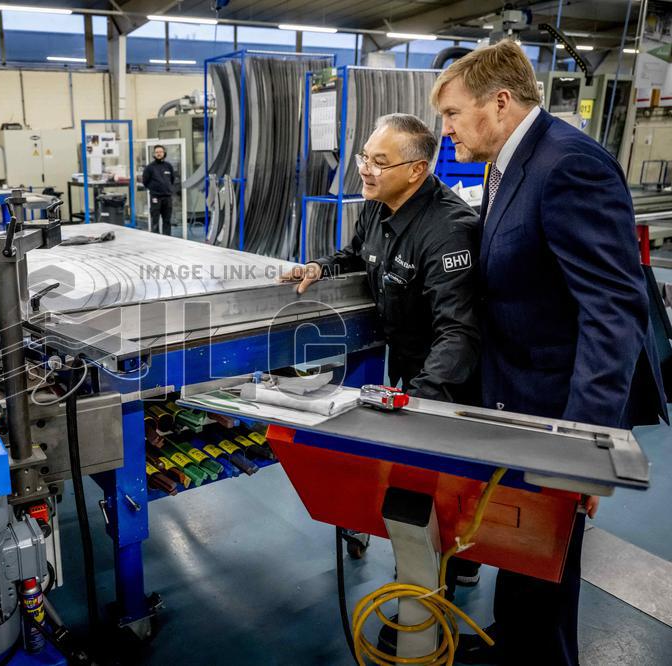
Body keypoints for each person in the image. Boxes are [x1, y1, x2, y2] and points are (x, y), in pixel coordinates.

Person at [431, 39, 668, 664]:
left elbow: (613, 312)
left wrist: (582, 450)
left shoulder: (569, 165)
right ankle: (515, 647)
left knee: (546, 565)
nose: (445, 128)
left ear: (499, 102)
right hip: (514, 398)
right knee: (518, 550)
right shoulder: (508, 161)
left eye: (453, 113)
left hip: (557, 409)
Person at [281, 113, 480, 403]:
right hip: (406, 365)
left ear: (416, 170)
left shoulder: (449, 232)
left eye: (380, 163)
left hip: (446, 386)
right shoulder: (380, 203)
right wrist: (320, 268)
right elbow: (357, 254)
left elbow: (458, 334)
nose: (364, 169)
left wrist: (417, 401)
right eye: (365, 157)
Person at [141, 145, 176, 235]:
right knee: (155, 220)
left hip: (167, 198)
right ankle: (155, 240)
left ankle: (168, 239)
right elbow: (145, 181)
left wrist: (166, 188)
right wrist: (154, 190)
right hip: (155, 198)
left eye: (160, 152)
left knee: (167, 221)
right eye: (157, 152)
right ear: (154, 154)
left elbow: (172, 179)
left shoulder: (168, 166)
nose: (159, 154)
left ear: (164, 153)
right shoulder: (150, 167)